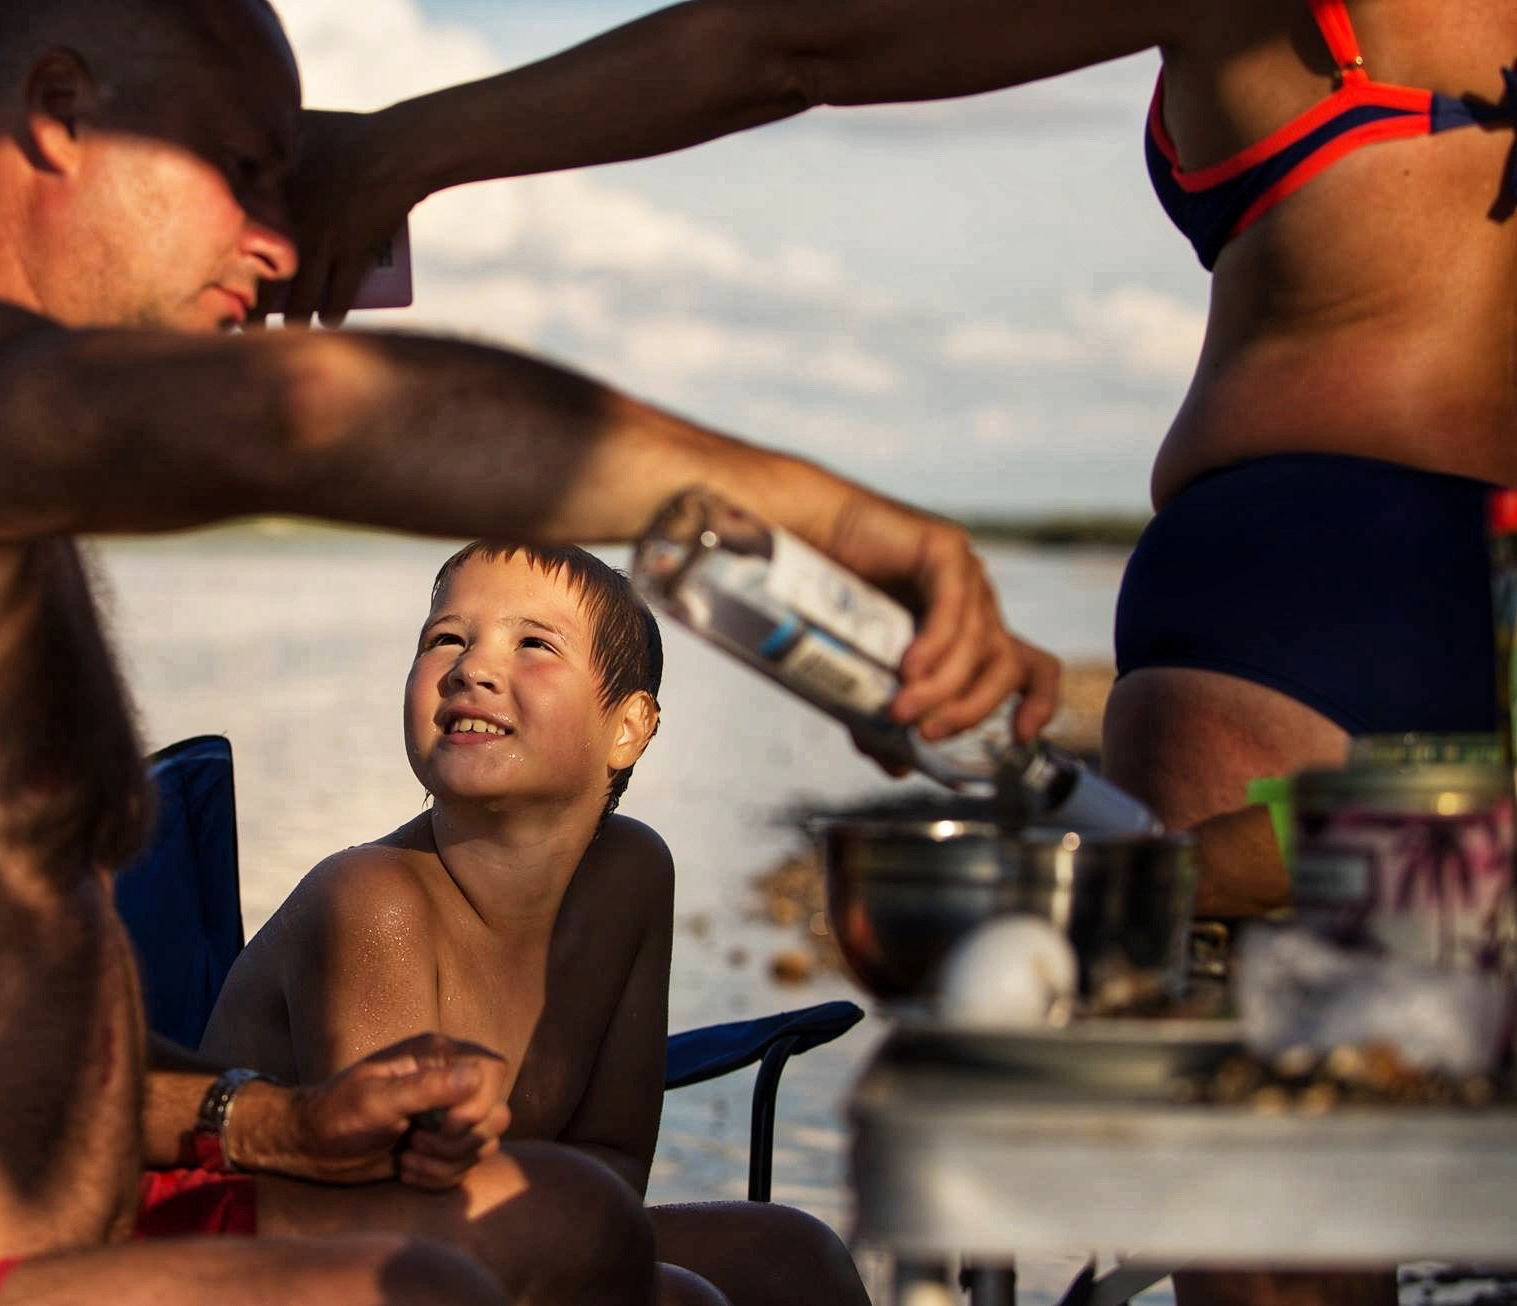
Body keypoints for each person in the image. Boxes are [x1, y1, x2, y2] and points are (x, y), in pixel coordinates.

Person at [0, 0, 1060, 1303]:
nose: (286, 246)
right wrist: (822, 527)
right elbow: (308, 425)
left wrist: (273, 1117)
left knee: (641, 1241)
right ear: (60, 115)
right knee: (430, 1289)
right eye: (246, 172)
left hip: (59, 1248)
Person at [273, 7, 1517, 1300]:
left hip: (1313, 584)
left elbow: (798, 42)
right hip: (1396, 605)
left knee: (1288, 1239)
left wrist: (396, 149)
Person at [200, 541, 870, 1306]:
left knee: (797, 1256)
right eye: (446, 638)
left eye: (534, 645)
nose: (472, 669)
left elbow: (613, 1157)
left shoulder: (633, 875)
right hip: (287, 1265)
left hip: (500, 1234)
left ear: (628, 727)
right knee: (682, 1299)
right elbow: (388, 1222)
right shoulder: (371, 901)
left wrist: (591, 1256)